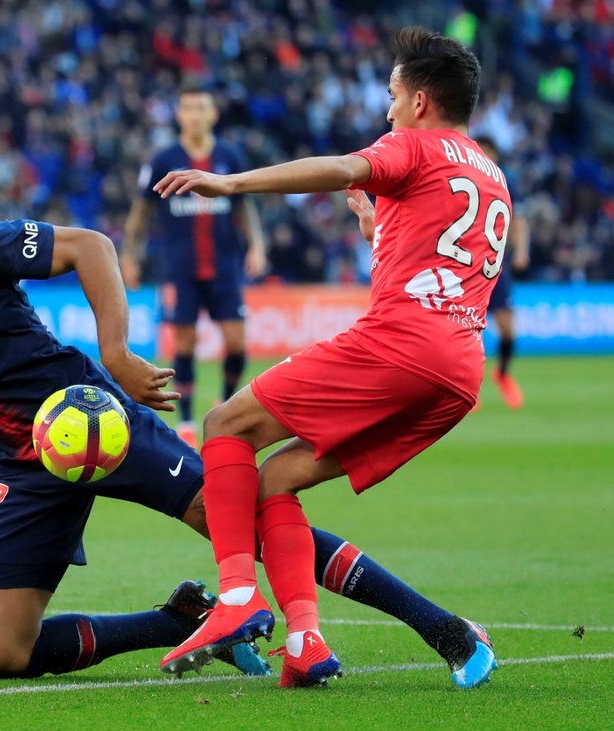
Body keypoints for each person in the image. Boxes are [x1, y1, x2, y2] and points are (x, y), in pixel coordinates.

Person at [0, 131, 494, 685]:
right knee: (0, 652)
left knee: (234, 513)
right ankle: (180, 616)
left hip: (93, 418)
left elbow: (89, 247)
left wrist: (115, 354)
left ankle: (442, 627)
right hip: (23, 464)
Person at [155, 27, 502, 689]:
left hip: (403, 345)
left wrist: (232, 184)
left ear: (422, 101)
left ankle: (234, 597)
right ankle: (307, 642)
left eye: (395, 93)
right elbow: (447, 273)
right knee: (274, 481)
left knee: (225, 425)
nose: (388, 107)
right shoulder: (491, 176)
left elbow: (343, 167)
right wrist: (381, 235)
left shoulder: (413, 145)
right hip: (457, 374)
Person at [122, 83, 267, 449]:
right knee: (183, 343)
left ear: (212, 114)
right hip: (181, 267)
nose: (195, 115)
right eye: (189, 108)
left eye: (202, 108)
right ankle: (187, 421)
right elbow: (141, 209)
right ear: (179, 115)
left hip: (225, 265)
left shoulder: (229, 157)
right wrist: (129, 254)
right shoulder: (163, 159)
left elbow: (244, 205)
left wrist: (257, 246)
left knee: (237, 342)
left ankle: (226, 402)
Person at [475, 135, 530, 409]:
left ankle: (503, 374)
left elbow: (519, 219)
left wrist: (521, 251)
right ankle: (468, 386)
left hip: (496, 263)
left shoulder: (505, 181)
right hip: (467, 264)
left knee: (507, 329)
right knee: (468, 328)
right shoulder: (463, 176)